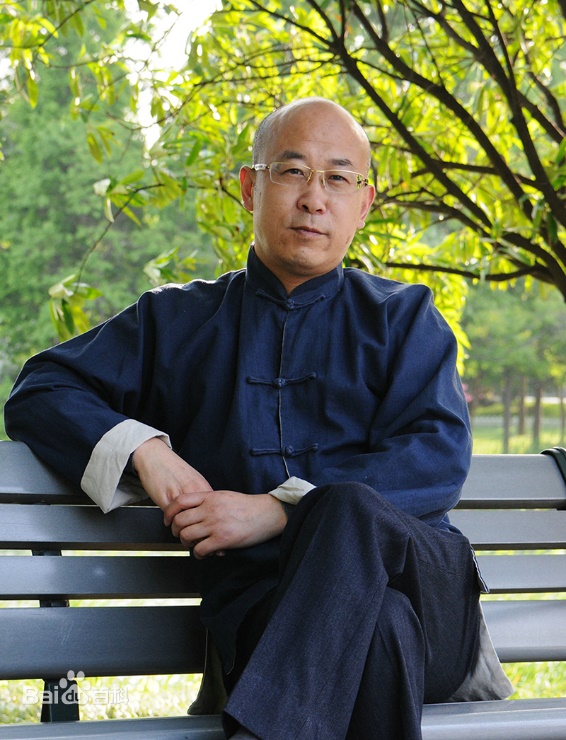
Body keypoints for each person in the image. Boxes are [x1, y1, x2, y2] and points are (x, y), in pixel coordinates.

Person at [4, 97, 511, 739]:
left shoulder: (404, 318)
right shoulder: (177, 322)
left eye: (338, 179)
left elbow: (436, 455)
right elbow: (41, 389)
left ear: (364, 204)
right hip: (266, 612)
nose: (314, 199)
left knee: (347, 508)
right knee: (377, 628)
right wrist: (146, 451)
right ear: (250, 187)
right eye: (293, 171)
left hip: (428, 603)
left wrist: (280, 509)